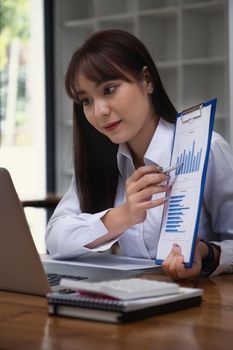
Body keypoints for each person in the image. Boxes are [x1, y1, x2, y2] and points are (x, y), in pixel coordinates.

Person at [45, 29, 233, 281]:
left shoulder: (206, 148)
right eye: (86, 101)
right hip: (131, 299)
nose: (99, 111)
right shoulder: (101, 161)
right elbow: (55, 238)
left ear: (147, 80)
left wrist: (205, 252)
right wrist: (122, 216)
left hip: (202, 306)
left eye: (109, 89)